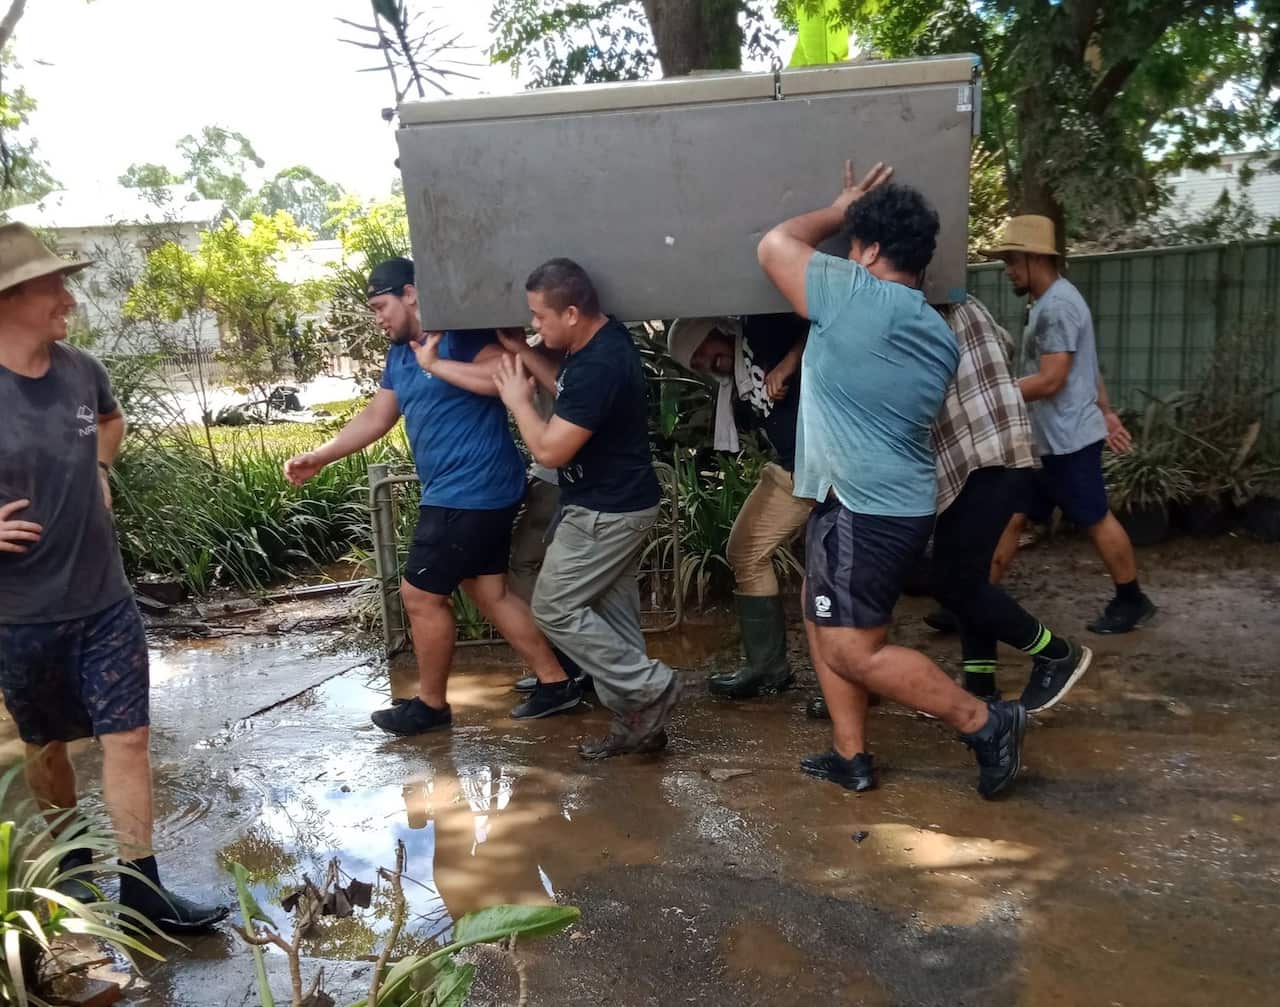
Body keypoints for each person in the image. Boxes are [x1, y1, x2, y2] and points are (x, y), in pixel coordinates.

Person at [756, 163, 1026, 799]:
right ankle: (851, 754)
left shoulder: (852, 294)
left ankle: (986, 722)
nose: (845, 255)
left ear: (870, 250)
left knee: (851, 648)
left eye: (852, 244)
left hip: (862, 507)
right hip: (892, 501)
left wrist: (840, 205)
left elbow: (773, 245)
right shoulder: (936, 330)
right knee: (822, 618)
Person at [0, 222, 227, 931]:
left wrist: (99, 465)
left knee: (127, 737)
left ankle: (143, 891)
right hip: (21, 614)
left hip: (104, 600)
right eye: (52, 285)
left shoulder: (80, 368)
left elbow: (110, 419)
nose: (68, 295)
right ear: (9, 298)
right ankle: (73, 865)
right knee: (48, 751)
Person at [805, 294, 1095, 788]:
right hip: (999, 449)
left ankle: (1053, 654)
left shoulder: (913, 311)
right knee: (961, 579)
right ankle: (981, 684)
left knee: (956, 583)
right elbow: (1000, 344)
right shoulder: (970, 303)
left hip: (977, 456)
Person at [284, 257, 580, 729]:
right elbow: (377, 417)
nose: (378, 318)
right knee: (488, 590)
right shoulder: (400, 355)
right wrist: (322, 455)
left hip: (472, 489)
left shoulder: (459, 339)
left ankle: (432, 707)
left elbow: (504, 378)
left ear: (412, 294)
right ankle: (556, 681)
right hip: (458, 490)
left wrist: (437, 364)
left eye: (381, 306)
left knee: (419, 595)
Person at [494, 258, 680, 760]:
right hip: (620, 504)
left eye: (539, 316)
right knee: (613, 619)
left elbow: (552, 450)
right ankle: (639, 723)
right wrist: (521, 353)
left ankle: (650, 686)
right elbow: (570, 394)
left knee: (554, 607)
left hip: (604, 512)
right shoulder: (599, 343)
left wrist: (517, 401)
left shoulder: (599, 363)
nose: (534, 325)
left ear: (571, 312)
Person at [980, 215, 1155, 634]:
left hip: (1067, 441)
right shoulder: (1050, 302)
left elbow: (1052, 379)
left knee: (1094, 517)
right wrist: (1107, 410)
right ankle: (975, 599)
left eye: (1010, 260)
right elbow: (1087, 368)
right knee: (1014, 515)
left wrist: (992, 393)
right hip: (1049, 439)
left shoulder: (1056, 307)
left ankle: (1132, 600)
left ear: (1033, 257)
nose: (1006, 269)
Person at [666, 313, 813, 699]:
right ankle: (768, 668)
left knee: (826, 578)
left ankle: (833, 678)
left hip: (823, 465)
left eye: (702, 350)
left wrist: (788, 362)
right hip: (795, 468)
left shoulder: (762, 330)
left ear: (719, 331)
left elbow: (825, 323)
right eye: (695, 364)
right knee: (745, 552)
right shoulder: (739, 389)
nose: (705, 363)